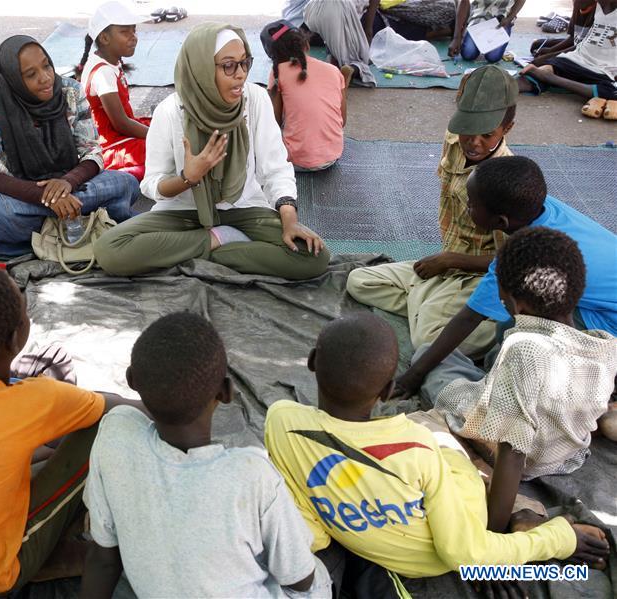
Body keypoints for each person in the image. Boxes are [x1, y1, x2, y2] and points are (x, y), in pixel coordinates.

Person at [264, 314, 610, 598]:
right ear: (388, 391)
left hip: (388, 535)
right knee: (443, 431)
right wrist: (560, 539)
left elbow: (312, 527)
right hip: (454, 539)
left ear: (310, 363)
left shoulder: (280, 421)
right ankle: (522, 513)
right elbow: (465, 553)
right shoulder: (416, 447)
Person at [0, 264, 142, 597]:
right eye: (24, 308)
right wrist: (181, 409)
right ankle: (45, 558)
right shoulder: (35, 402)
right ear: (15, 338)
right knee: (106, 427)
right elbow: (115, 406)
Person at [81, 312, 332, 598]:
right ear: (225, 392)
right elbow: (298, 580)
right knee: (320, 569)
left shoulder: (115, 433)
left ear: (131, 380)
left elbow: (103, 559)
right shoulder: (252, 473)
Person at [419, 227, 617, 536]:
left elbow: (512, 453)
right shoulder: (605, 343)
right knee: (488, 367)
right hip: (566, 455)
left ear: (513, 301)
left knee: (434, 390)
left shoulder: (522, 350)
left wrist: (494, 538)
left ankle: (520, 509)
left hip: (520, 457)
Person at [94, 25, 330, 280]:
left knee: (314, 256)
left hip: (243, 208)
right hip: (182, 214)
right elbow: (152, 184)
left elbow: (276, 169)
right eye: (228, 66)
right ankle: (218, 240)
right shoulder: (171, 111)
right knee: (110, 250)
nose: (240, 74)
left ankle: (198, 251)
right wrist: (188, 179)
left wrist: (289, 220)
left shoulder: (256, 99)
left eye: (244, 63)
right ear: (202, 67)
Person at [394, 156, 617, 399]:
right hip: (602, 307)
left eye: (471, 205)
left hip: (608, 329)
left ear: (500, 221)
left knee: (506, 329)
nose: (466, 206)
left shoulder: (526, 254)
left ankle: (511, 374)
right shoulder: (542, 208)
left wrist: (412, 376)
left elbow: (469, 318)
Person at [346, 65, 515, 358]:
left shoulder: (506, 181)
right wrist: (443, 263)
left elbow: (508, 262)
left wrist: (451, 260)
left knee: (427, 341)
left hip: (475, 275)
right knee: (359, 281)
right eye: (467, 130)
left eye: (486, 135)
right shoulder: (453, 138)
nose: (473, 142)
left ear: (507, 128)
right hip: (444, 265)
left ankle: (507, 329)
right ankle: (430, 305)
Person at [0, 35, 139, 257]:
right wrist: (48, 198)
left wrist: (67, 183)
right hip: (27, 196)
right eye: (31, 75)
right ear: (12, 79)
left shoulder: (70, 91)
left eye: (47, 66)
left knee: (126, 183)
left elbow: (91, 151)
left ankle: (44, 230)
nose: (45, 78)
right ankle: (77, 219)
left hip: (74, 187)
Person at [77, 1, 150, 181]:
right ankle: (120, 174)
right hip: (108, 144)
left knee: (167, 124)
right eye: (125, 32)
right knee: (166, 148)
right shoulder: (103, 73)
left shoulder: (111, 61)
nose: (133, 37)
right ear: (104, 38)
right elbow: (121, 124)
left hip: (120, 134)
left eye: (134, 30)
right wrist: (157, 135)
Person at [262, 20, 347, 171]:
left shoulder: (278, 72)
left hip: (295, 160)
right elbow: (343, 120)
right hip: (332, 155)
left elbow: (273, 123)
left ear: (273, 56)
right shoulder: (333, 70)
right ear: (306, 44)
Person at [518, 0, 617, 120]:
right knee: (542, 70)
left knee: (611, 91)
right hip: (576, 58)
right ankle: (505, 87)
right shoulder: (599, 6)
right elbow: (582, 42)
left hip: (605, 70)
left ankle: (550, 78)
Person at [302, 0, 378, 86]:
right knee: (361, 60)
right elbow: (368, 31)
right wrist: (368, 33)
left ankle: (333, 62)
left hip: (312, 10)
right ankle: (351, 69)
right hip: (338, 10)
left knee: (336, 41)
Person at [449, 0, 526, 63]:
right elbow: (464, 2)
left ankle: (488, 45)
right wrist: (456, 38)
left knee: (493, 57)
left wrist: (510, 18)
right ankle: (478, 42)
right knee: (468, 54)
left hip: (502, 19)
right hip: (479, 15)